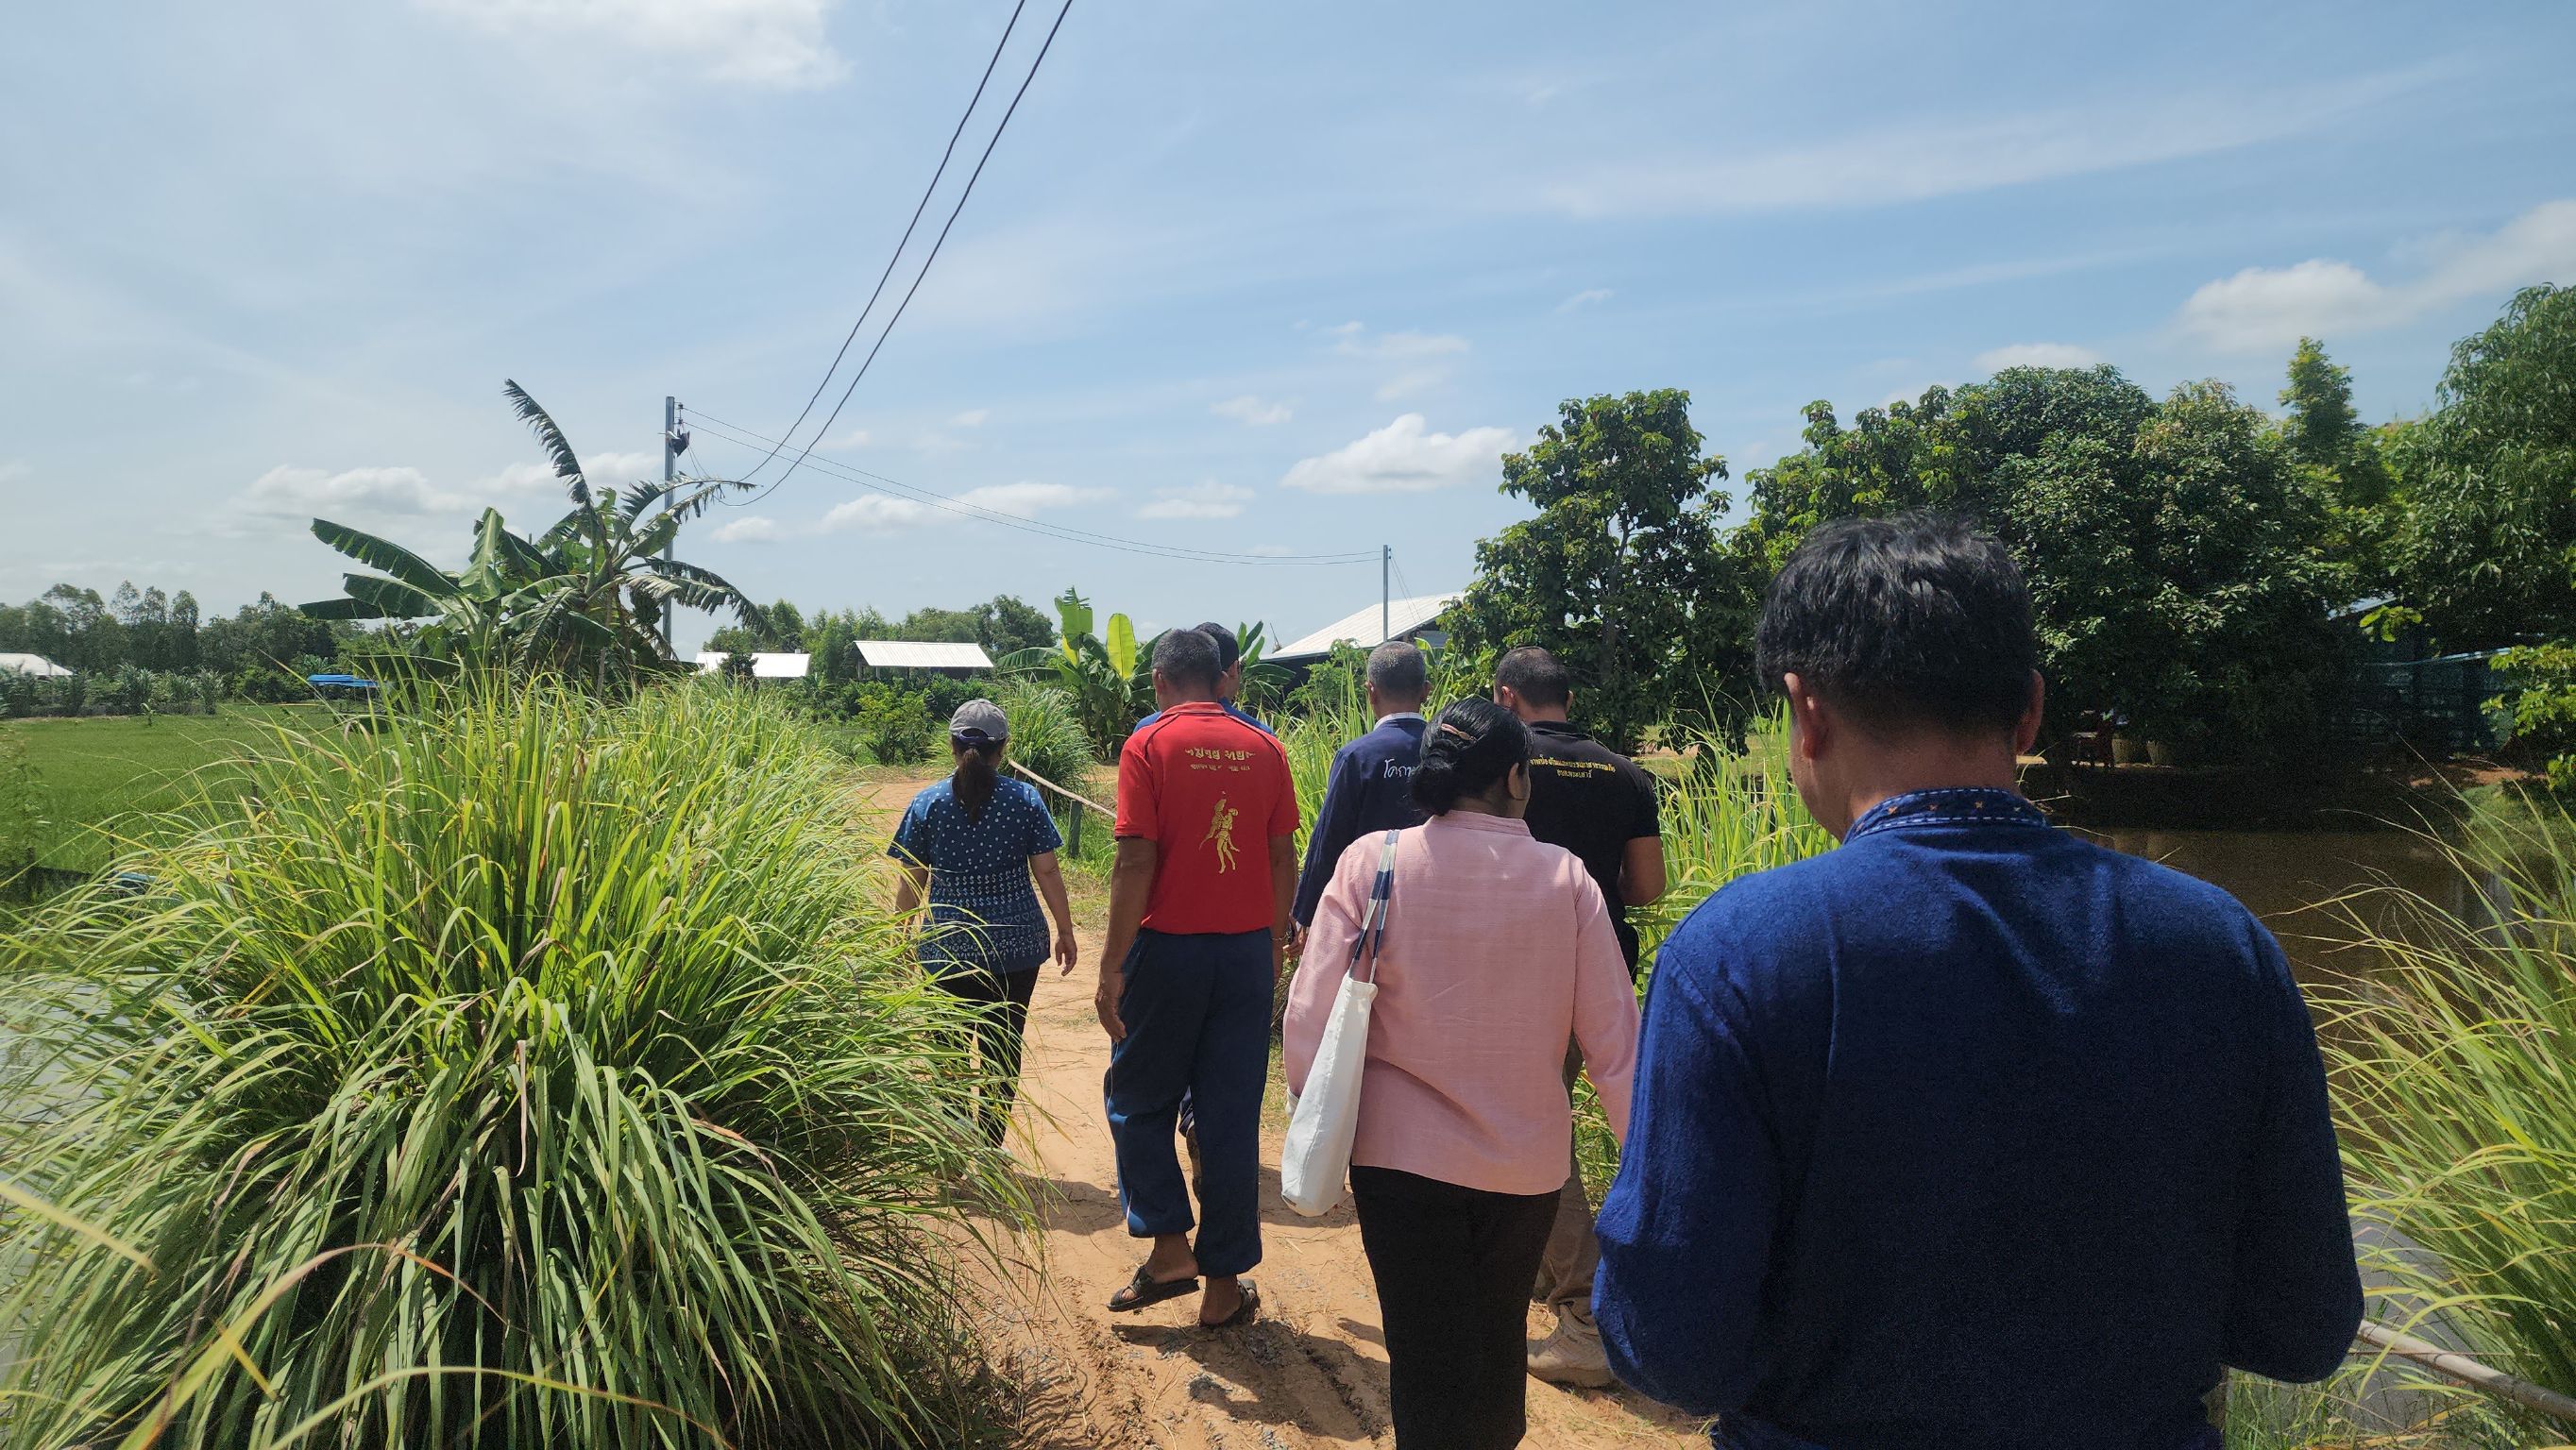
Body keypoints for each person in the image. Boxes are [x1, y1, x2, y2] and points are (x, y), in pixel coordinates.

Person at [1592, 513, 2364, 1450]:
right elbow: (2302, 1325)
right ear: (2030, 709)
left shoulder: (1740, 954)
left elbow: (1671, 1350)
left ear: (1806, 712)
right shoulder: (2220, 945)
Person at [1285, 698, 1638, 1450]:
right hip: (1526, 1168)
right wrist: (1644, 1163)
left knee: (1424, 1350)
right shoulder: (1567, 879)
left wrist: (1313, 1112)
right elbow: (1616, 1043)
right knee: (1497, 1334)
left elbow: (1309, 1020)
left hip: (1398, 1163)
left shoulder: (1372, 861)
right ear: (1516, 776)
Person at [1097, 627, 1299, 1328]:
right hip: (1244, 954)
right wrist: (1272, 944)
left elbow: (1133, 863)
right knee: (1229, 1118)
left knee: (1136, 1098)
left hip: (1170, 953)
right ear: (1220, 678)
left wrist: (1111, 965)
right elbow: (1281, 858)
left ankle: (1169, 1247)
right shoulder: (1265, 746)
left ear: (1159, 681)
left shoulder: (1147, 744)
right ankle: (1222, 1287)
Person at [1490, 644, 1666, 1387]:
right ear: (1566, 695)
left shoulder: (1502, 766)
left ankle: (1587, 1315)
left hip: (1520, 973)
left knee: (1533, 1126)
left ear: (1507, 697)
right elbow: (1648, 887)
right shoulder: (1625, 772)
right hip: (1600, 970)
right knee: (1557, 1117)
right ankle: (1543, 1273)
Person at [890, 700, 1080, 1145]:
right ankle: (988, 1147)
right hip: (1014, 948)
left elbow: (913, 878)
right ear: (1003, 749)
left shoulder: (928, 803)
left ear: (954, 747)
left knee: (948, 1050)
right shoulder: (1024, 799)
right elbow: (1047, 870)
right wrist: (1065, 929)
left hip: (946, 947)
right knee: (1001, 1045)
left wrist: (898, 936)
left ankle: (955, 1143)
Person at [1288, 640, 1432, 943]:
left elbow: (1330, 836)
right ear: (1425, 690)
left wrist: (1306, 912)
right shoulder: (1450, 752)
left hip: (1370, 912)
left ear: (1370, 691)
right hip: (1437, 903)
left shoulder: (1357, 756)